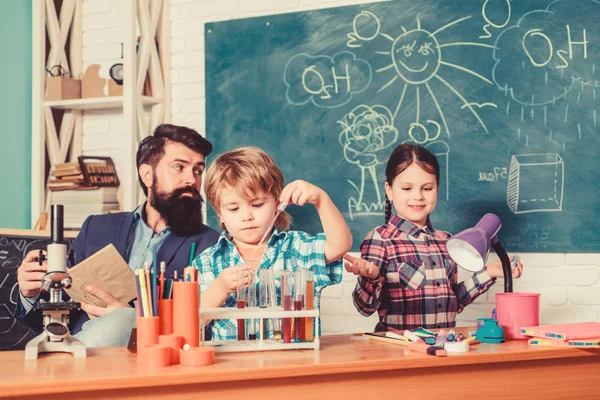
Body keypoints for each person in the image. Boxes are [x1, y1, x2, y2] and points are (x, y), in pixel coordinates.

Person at [16, 124, 220, 346]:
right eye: (179, 167)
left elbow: (207, 331)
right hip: (80, 348)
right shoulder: (97, 228)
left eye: (198, 170)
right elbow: (57, 317)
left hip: (152, 359)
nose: (192, 180)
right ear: (147, 175)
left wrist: (133, 321)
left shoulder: (211, 245)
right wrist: (30, 294)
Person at [344, 144, 523, 331]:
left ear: (437, 188)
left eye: (427, 188)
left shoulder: (446, 241)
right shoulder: (381, 239)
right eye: (406, 188)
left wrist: (489, 272)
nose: (418, 196)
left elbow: (453, 301)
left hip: (443, 347)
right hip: (399, 352)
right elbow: (364, 307)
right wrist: (370, 279)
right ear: (389, 190)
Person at [193, 147, 352, 340]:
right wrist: (220, 288)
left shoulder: (295, 248)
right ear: (220, 214)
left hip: (295, 365)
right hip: (236, 367)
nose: (246, 216)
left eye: (257, 205)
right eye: (233, 208)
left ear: (277, 204)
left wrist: (321, 199)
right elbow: (192, 324)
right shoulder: (207, 262)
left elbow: (339, 245)